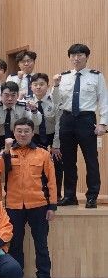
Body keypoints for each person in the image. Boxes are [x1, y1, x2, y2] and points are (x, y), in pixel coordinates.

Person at [0, 118, 57, 278]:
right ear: (14, 133)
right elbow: (0, 173)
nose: (22, 134)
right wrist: (6, 151)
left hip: (38, 204)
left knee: (41, 245)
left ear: (32, 133)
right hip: (14, 205)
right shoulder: (6, 152)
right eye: (19, 131)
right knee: (15, 244)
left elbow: (52, 181)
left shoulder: (43, 154)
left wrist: (52, 206)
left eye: (26, 131)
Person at [53, 43, 107, 208]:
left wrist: (103, 123)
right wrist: (56, 85)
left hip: (86, 119)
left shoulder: (96, 76)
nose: (76, 58)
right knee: (68, 161)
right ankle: (70, 196)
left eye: (80, 55)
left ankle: (92, 196)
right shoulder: (63, 77)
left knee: (91, 160)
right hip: (67, 119)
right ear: (70, 58)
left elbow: (103, 100)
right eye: (73, 55)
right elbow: (56, 102)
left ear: (87, 57)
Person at [29, 73, 64, 198]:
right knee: (36, 165)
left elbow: (59, 123)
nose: (38, 87)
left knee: (57, 164)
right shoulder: (27, 102)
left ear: (47, 86)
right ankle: (39, 194)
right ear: (31, 87)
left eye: (41, 84)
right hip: (35, 136)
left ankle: (56, 194)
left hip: (53, 135)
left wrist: (56, 145)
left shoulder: (54, 100)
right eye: (35, 84)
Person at [0, 81, 40, 154]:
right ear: (1, 95)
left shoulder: (23, 106)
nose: (10, 98)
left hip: (15, 138)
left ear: (17, 95)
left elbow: (36, 122)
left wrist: (34, 111)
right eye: (6, 95)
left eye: (13, 95)